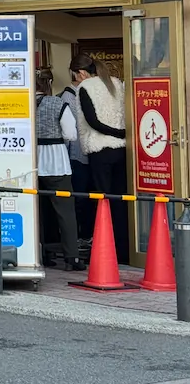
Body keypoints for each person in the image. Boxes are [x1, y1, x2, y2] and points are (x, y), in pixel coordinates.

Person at [77, 58, 128, 261]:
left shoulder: (86, 87)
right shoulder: (117, 83)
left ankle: (106, 251)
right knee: (121, 200)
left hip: (100, 149)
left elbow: (92, 121)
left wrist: (113, 132)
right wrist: (122, 134)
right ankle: (124, 250)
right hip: (121, 149)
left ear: (82, 73)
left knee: (102, 200)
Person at [35, 71, 84, 271]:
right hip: (56, 161)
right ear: (48, 83)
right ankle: (72, 257)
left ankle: (41, 253)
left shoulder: (22, 104)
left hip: (31, 162)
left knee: (37, 212)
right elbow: (71, 134)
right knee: (65, 212)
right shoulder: (57, 103)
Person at [61, 56, 95, 242]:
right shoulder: (69, 97)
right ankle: (81, 237)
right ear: (81, 74)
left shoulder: (82, 92)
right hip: (76, 155)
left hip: (86, 153)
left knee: (87, 198)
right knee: (80, 199)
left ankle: (85, 235)